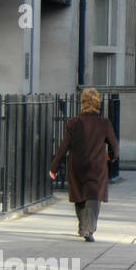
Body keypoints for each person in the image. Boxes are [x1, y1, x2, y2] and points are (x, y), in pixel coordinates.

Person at [49, 88, 119, 242]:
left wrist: (54, 167)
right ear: (98, 103)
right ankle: (89, 229)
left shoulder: (73, 123)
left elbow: (64, 147)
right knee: (93, 197)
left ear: (82, 102)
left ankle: (82, 226)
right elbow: (115, 147)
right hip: (97, 165)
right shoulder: (104, 123)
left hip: (77, 164)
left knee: (79, 194)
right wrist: (111, 157)